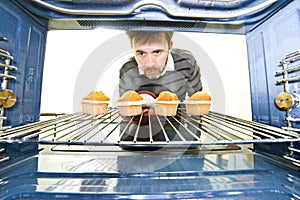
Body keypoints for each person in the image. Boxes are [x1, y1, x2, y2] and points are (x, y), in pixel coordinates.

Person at [118, 30, 202, 142]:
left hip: (175, 132)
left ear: (170, 46)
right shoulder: (128, 70)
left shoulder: (187, 63)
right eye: (141, 53)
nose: (150, 63)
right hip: (140, 133)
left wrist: (193, 146)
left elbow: (197, 107)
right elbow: (126, 118)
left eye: (157, 52)